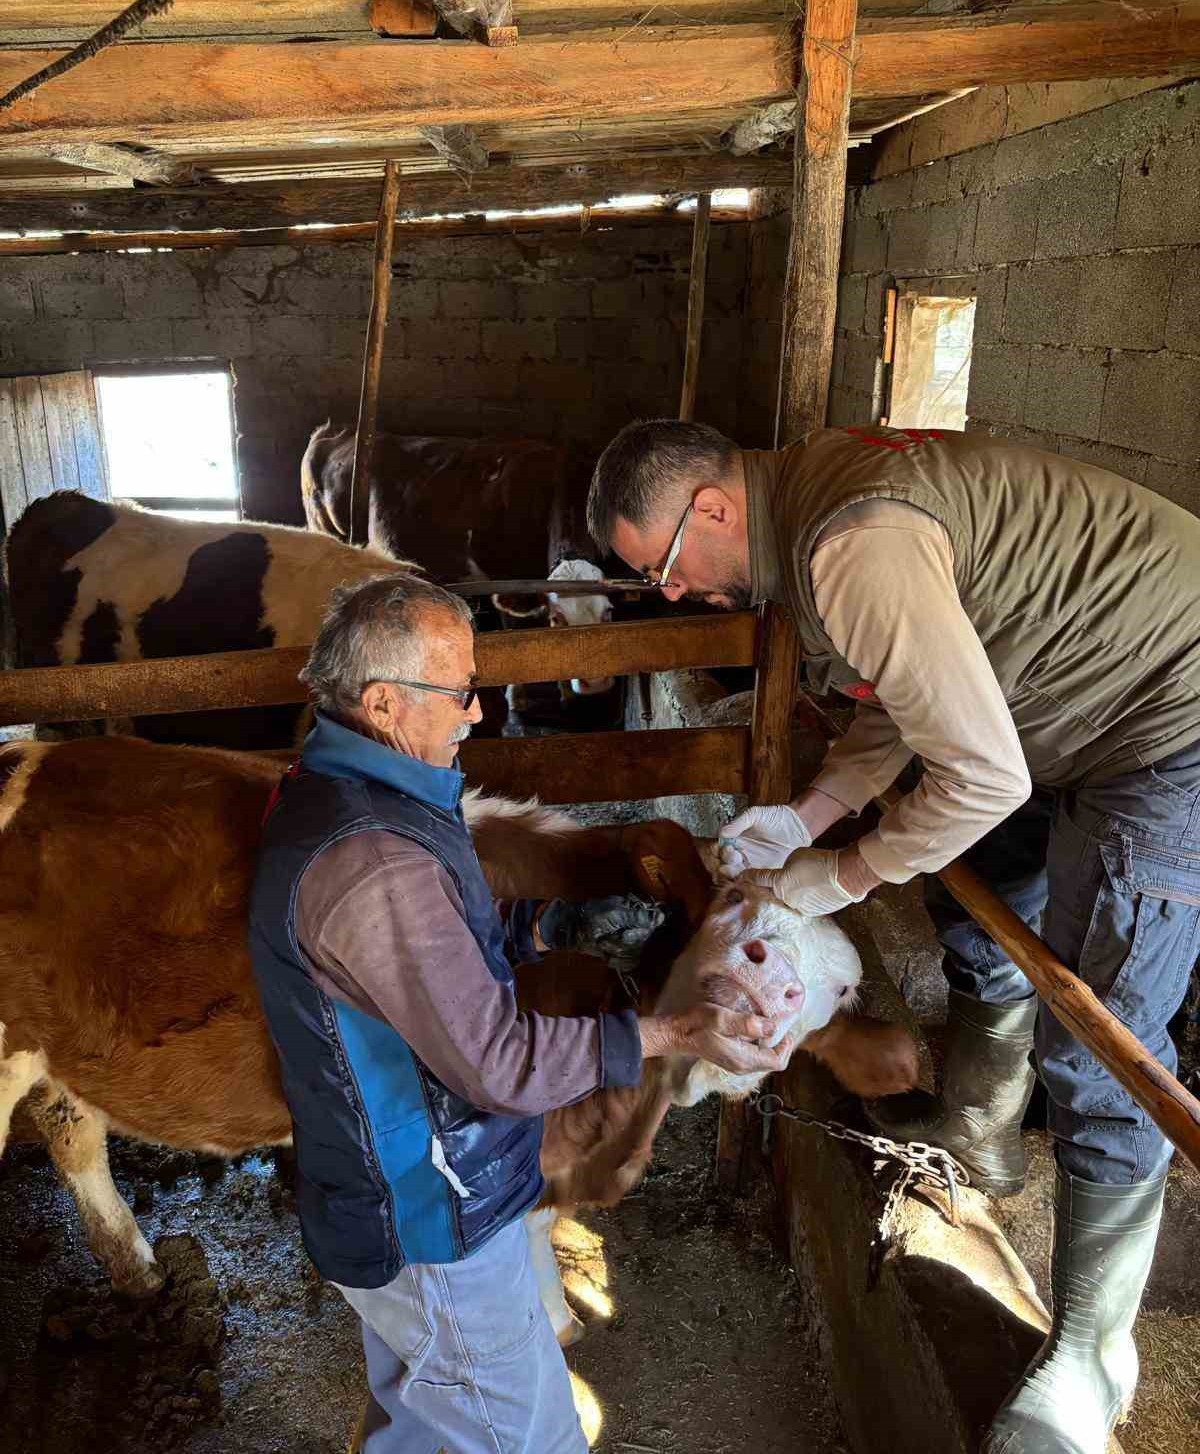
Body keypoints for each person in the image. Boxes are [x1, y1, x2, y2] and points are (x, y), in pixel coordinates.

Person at [586, 417, 1200, 1454]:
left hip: (1166, 717)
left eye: (667, 568)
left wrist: (849, 870)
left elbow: (984, 775)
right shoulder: (816, 506)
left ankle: (1093, 1353)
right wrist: (814, 811)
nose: (673, 595)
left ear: (716, 510)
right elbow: (905, 694)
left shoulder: (850, 542)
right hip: (1062, 708)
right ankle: (981, 1134)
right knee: (981, 906)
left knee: (1102, 1031)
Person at [247, 573, 788, 1454]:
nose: (476, 713)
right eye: (459, 692)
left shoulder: (352, 793)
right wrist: (675, 1034)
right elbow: (497, 1062)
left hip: (396, 1195)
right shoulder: (377, 864)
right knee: (530, 1438)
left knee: (424, 1422)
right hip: (431, 1221)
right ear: (383, 703)